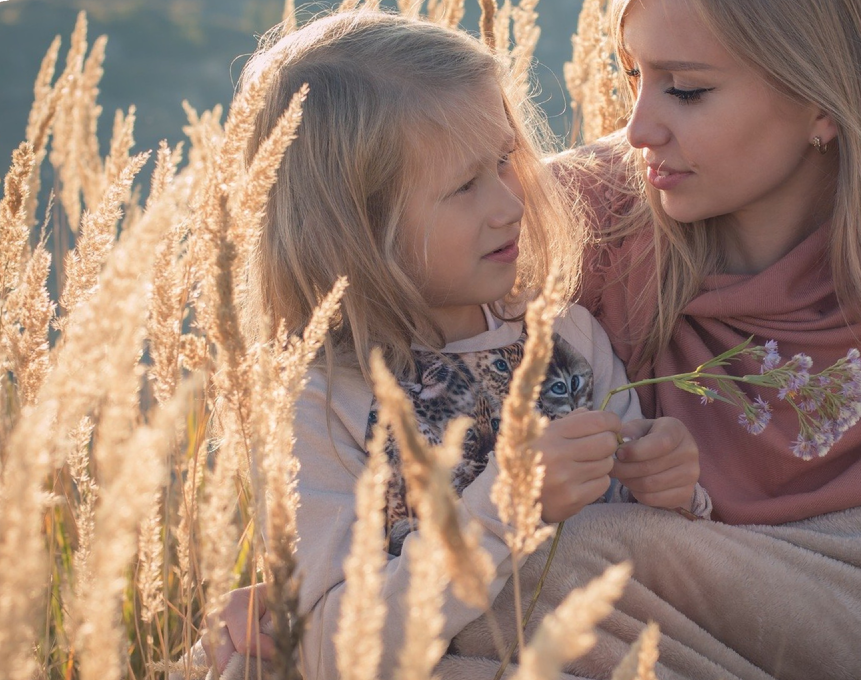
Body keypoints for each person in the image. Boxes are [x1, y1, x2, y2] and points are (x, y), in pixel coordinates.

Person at [215, 0, 861, 676]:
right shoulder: (584, 218)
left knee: (585, 556)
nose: (638, 125)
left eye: (685, 89)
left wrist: (663, 494)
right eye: (631, 75)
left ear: (823, 103)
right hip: (542, 609)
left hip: (842, 597)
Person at [202, 10, 712, 680]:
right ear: (356, 224)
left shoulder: (564, 338)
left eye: (505, 161)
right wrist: (507, 504)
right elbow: (334, 646)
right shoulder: (317, 403)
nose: (508, 203)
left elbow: (636, 547)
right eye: (464, 186)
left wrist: (674, 489)